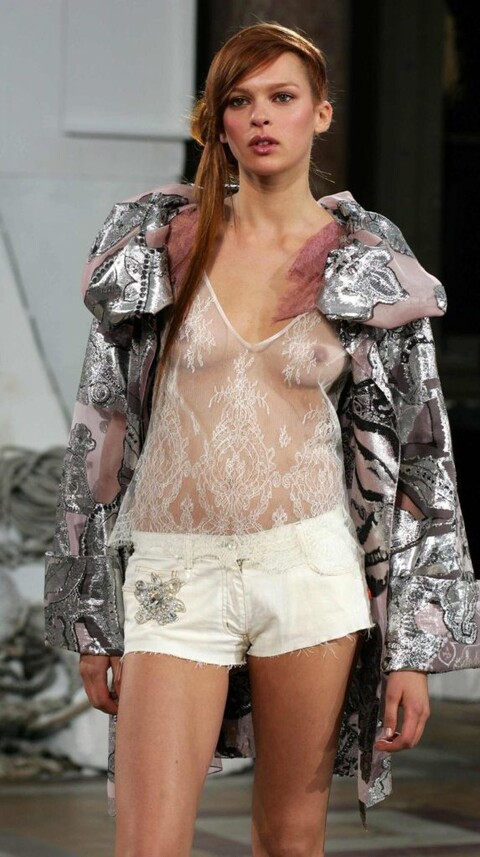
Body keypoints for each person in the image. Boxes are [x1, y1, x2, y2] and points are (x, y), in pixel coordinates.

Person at [44, 21, 479, 857]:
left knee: (289, 840)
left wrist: (415, 649)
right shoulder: (161, 244)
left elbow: (423, 456)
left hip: (308, 569)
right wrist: (92, 617)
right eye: (239, 101)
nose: (261, 117)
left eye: (282, 97)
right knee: (146, 845)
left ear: (321, 112)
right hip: (174, 571)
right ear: (217, 119)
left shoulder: (364, 259)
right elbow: (99, 432)